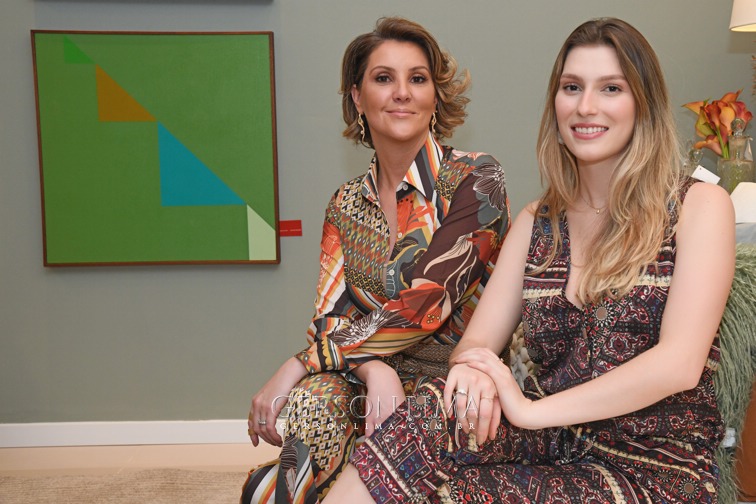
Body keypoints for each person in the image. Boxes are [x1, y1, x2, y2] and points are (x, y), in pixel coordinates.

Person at [323, 17, 736, 503]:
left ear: (642, 103)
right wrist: (473, 370)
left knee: (457, 495)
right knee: (436, 406)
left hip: (653, 465)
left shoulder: (699, 206)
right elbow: (476, 342)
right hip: (551, 443)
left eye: (611, 88)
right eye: (572, 87)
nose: (586, 106)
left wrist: (529, 410)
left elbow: (679, 364)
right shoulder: (537, 221)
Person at [241, 17, 510, 503]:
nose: (402, 92)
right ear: (358, 98)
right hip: (365, 376)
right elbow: (329, 318)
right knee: (312, 403)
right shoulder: (344, 204)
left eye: (417, 78)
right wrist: (371, 367)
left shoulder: (477, 178)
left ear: (435, 96)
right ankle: (291, 486)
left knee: (392, 441)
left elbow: (427, 302)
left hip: (457, 382)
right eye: (384, 78)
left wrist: (298, 362)